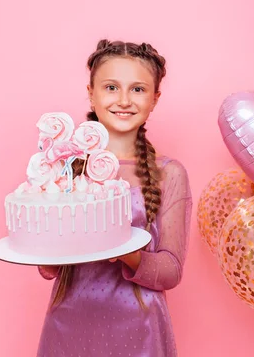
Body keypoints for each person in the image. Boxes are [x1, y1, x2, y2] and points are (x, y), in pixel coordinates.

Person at [36, 39, 192, 357]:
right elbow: (48, 268)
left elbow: (171, 270)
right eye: (110, 87)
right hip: (71, 324)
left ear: (155, 98)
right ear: (91, 92)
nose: (124, 100)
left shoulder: (169, 173)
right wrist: (50, 226)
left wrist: (122, 249)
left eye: (137, 89)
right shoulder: (65, 168)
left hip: (140, 330)